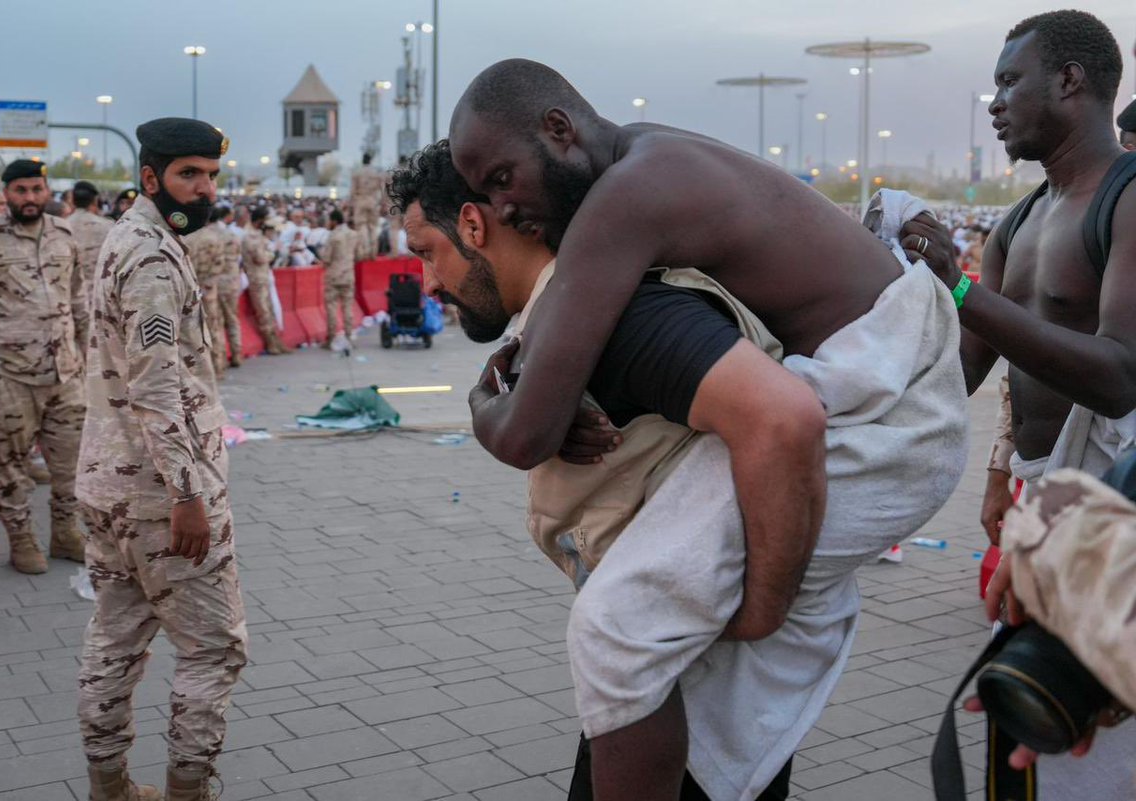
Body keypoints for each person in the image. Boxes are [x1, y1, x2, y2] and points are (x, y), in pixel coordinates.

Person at [425, 125, 967, 799]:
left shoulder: (632, 294)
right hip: (695, 665)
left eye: (425, 251)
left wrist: (766, 604)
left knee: (613, 631)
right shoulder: (601, 271)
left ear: (474, 225)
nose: (427, 280)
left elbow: (784, 419)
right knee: (626, 647)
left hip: (870, 456)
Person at [901, 11, 1136, 797]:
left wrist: (962, 289)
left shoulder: (1128, 199)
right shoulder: (1020, 220)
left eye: (1009, 82)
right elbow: (959, 374)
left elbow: (1120, 374)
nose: (995, 103)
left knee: (1094, 747)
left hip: (1116, 510)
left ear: (1070, 81)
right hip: (1047, 505)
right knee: (1033, 738)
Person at [75, 117, 247, 801]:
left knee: (115, 641)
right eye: (189, 174)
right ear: (150, 178)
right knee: (213, 648)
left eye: (211, 175)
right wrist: (187, 494)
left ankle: (108, 785)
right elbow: (155, 389)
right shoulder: (150, 256)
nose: (205, 188)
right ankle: (187, 791)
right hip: (157, 493)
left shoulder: (130, 238)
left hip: (108, 483)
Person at [0, 159, 88, 575]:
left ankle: (66, 533)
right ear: (5, 193)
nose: (30, 197)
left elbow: (77, 298)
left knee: (71, 463)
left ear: (47, 191)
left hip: (64, 373)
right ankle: (22, 540)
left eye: (36, 189)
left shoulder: (64, 233)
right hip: (8, 375)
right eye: (21, 190)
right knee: (8, 466)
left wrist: (85, 354)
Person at [182, 208, 228, 378]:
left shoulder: (186, 238)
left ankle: (201, 368)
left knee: (193, 330)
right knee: (214, 327)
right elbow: (220, 264)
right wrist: (209, 282)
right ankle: (218, 366)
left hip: (191, 288)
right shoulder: (215, 238)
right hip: (209, 289)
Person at [240, 207, 290, 354]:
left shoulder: (258, 236)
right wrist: (272, 253)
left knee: (270, 310)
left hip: (263, 277)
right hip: (256, 279)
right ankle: (271, 343)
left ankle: (277, 342)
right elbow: (260, 258)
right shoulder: (250, 237)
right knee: (264, 312)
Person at [66, 181, 115, 306]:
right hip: (101, 297)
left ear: (72, 201)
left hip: (72, 299)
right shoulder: (109, 227)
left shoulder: (62, 227)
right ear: (95, 201)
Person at [318, 208, 359, 350]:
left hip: (334, 276)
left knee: (332, 308)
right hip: (349, 275)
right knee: (348, 307)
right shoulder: (353, 234)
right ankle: (349, 337)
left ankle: (331, 338)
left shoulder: (333, 236)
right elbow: (358, 255)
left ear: (334, 221)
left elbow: (326, 258)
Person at [216, 206, 243, 369]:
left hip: (215, 283)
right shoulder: (232, 235)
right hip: (232, 282)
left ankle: (221, 359)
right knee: (232, 319)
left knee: (217, 322)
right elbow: (239, 257)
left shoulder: (209, 235)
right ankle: (237, 353)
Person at [350, 152, 384, 259]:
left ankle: (364, 251)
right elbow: (382, 189)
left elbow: (352, 191)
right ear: (370, 161)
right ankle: (373, 252)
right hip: (373, 201)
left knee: (361, 226)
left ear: (362, 160)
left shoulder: (357, 172)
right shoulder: (376, 173)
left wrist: (352, 203)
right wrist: (382, 202)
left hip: (360, 200)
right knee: (373, 227)